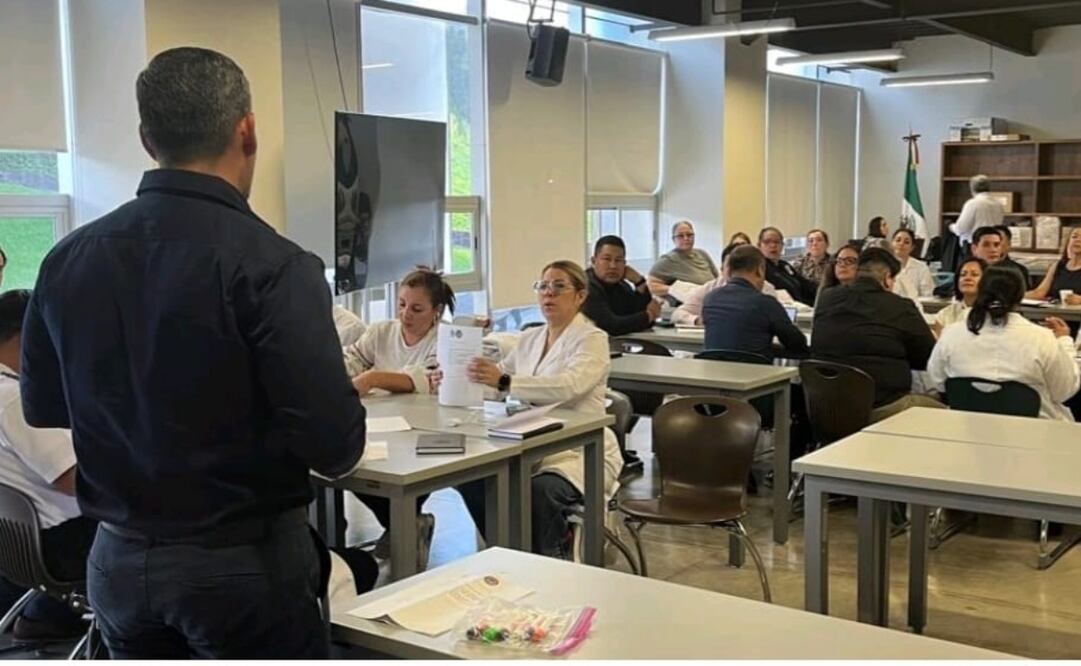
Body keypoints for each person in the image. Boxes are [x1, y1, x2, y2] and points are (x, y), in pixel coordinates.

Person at [19, 48, 366, 659]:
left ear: (146, 139)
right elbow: (335, 445)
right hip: (242, 566)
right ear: (247, 130)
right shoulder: (274, 266)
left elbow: (46, 406)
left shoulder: (68, 259)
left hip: (118, 562)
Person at [456, 261, 623, 559]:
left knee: (540, 492)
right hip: (532, 441)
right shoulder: (530, 338)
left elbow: (570, 386)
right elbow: (498, 383)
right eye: (543, 286)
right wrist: (464, 378)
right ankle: (503, 550)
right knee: (473, 478)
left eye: (559, 287)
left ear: (580, 296)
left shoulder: (592, 339)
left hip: (579, 451)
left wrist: (505, 381)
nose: (549, 294)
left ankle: (551, 560)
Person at [342, 267, 455, 570]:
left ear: (436, 311)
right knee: (355, 471)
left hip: (427, 430)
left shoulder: (443, 339)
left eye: (417, 308)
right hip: (381, 427)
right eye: (402, 305)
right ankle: (404, 526)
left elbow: (426, 379)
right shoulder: (381, 331)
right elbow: (352, 360)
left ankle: (404, 528)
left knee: (407, 479)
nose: (406, 314)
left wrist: (374, 378)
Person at [0, 290, 97, 643]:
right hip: (64, 544)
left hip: (20, 544)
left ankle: (45, 612)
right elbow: (73, 480)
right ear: (29, 336)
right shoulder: (14, 400)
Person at [928, 266, 1079, 422]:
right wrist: (1064, 342)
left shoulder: (952, 334)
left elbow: (938, 381)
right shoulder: (1042, 338)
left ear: (981, 292)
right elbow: (1064, 391)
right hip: (1034, 432)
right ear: (1021, 296)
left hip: (968, 428)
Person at [812, 248, 943, 422]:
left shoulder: (826, 298)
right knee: (950, 413)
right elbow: (928, 358)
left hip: (828, 407)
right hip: (883, 408)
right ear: (887, 279)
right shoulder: (900, 307)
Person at [702, 246, 808, 361]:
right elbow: (797, 343)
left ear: (728, 270)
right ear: (760, 270)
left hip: (716, 371)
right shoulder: (765, 303)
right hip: (756, 373)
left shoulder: (710, 299)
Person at [671, 238, 776, 326]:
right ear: (722, 269)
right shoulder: (710, 290)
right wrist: (698, 320)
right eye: (732, 266)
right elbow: (677, 314)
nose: (736, 270)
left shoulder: (766, 290)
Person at [581, 235, 661, 336]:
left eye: (618, 260)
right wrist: (649, 315)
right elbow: (611, 326)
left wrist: (639, 282)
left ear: (625, 263)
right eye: (607, 259)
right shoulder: (585, 286)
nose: (613, 266)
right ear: (593, 261)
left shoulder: (621, 285)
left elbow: (638, 317)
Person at [647, 220, 719, 302]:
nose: (686, 238)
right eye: (680, 236)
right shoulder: (668, 260)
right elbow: (650, 285)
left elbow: (717, 278)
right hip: (691, 304)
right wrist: (675, 290)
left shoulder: (702, 254)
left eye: (689, 235)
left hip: (713, 298)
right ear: (674, 239)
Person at [759, 226, 817, 306]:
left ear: (782, 245)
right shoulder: (759, 268)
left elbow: (804, 283)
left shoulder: (784, 265)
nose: (773, 245)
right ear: (759, 246)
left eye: (776, 242)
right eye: (767, 242)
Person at [1027, 226, 1081, 305]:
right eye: (1074, 237)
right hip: (1055, 312)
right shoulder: (1058, 265)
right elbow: (1039, 293)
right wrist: (1013, 296)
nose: (1078, 240)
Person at [932, 257, 986, 335]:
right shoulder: (944, 315)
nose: (967, 278)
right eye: (963, 275)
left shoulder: (992, 314)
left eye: (974, 275)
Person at [950, 174, 1005, 246]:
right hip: (992, 244)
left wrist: (951, 226)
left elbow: (961, 228)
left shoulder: (972, 203)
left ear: (972, 188)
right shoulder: (998, 204)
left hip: (974, 246)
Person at [891, 228, 935, 301]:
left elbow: (928, 295)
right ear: (892, 243)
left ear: (912, 247)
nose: (901, 244)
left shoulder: (921, 268)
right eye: (898, 240)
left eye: (906, 242)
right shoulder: (883, 267)